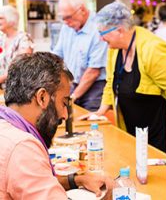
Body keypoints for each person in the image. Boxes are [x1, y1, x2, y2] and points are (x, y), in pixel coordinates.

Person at [0, 52, 113, 199]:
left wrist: (76, 180)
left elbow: (32, 181)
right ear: (42, 97)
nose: (65, 115)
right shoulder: (22, 147)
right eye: (63, 103)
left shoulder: (7, 126)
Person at [89, 1, 166, 152]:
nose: (101, 39)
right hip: (132, 132)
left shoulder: (153, 50)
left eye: (102, 33)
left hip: (158, 135)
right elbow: (111, 82)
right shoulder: (115, 49)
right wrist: (100, 111)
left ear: (119, 30)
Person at [53, 0, 107, 111]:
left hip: (95, 86)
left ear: (82, 9)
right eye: (63, 18)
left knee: (88, 120)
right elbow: (57, 56)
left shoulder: (99, 27)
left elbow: (93, 71)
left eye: (68, 17)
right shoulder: (67, 27)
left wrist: (73, 97)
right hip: (72, 82)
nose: (66, 22)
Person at [0, 5, 33, 87]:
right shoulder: (1, 38)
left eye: (1, 18)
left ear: (11, 20)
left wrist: (1, 79)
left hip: (18, 89)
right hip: (2, 88)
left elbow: (20, 66)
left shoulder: (24, 38)